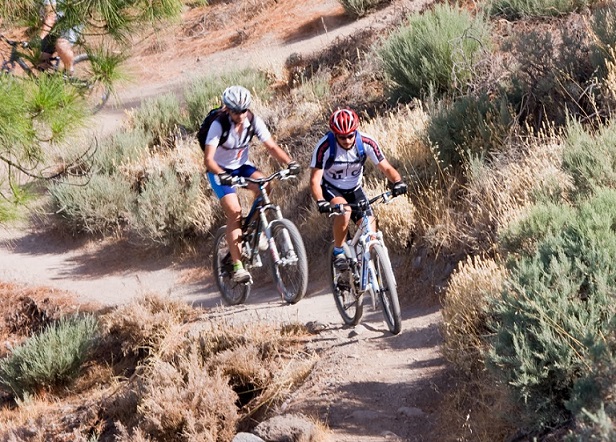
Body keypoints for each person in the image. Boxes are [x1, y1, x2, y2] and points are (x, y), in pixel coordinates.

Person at [204, 85, 301, 283]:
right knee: (234, 211)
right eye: (234, 111)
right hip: (219, 170)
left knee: (265, 185)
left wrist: (289, 162)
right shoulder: (218, 125)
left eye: (243, 110)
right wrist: (223, 175)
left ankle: (254, 228)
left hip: (241, 166)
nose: (239, 115)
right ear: (227, 109)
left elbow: (272, 146)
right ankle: (238, 266)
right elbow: (209, 160)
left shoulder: (253, 120)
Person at [309, 108, 407, 270]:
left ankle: (364, 265)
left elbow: (386, 167)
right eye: (342, 137)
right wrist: (320, 200)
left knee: (370, 227)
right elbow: (314, 180)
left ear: (356, 131)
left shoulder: (366, 143)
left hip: (354, 189)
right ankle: (339, 252)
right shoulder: (324, 146)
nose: (347, 140)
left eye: (350, 136)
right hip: (331, 188)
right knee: (345, 212)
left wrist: (398, 181)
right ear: (334, 134)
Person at [39, 0, 81, 73]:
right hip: (55, 25)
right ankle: (45, 81)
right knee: (42, 58)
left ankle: (69, 71)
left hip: (71, 22)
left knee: (61, 45)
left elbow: (50, 18)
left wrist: (39, 38)